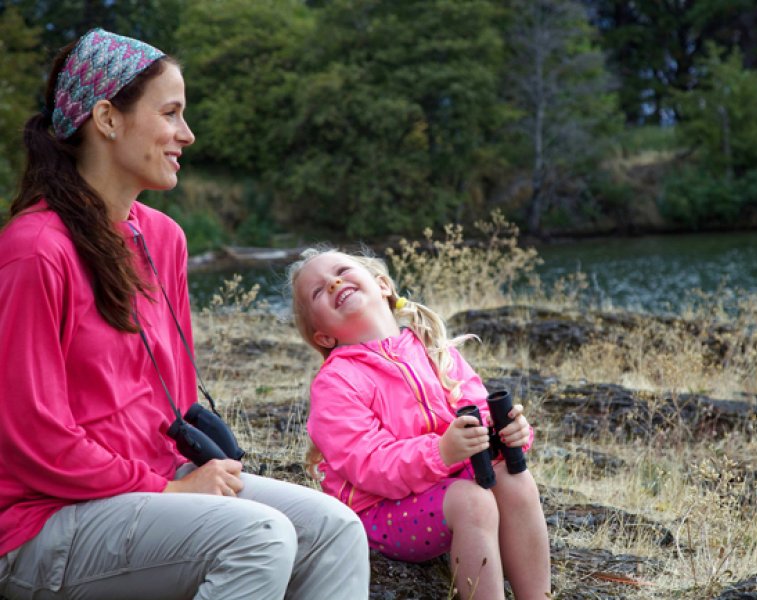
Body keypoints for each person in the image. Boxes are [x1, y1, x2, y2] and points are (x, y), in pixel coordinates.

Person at [0, 29, 368, 600]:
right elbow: (32, 437)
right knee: (260, 537)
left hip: (150, 489)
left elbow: (168, 398)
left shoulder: (162, 239)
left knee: (336, 530)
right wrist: (167, 491)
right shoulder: (34, 251)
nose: (187, 135)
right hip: (44, 520)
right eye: (170, 113)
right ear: (107, 118)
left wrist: (177, 481)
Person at [289, 248, 551, 600]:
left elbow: (478, 413)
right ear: (323, 337)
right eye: (318, 291)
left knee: (515, 479)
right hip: (380, 511)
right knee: (472, 501)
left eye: (342, 270)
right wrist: (441, 452)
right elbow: (369, 464)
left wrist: (509, 435)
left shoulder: (432, 348)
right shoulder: (336, 382)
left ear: (382, 285)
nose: (334, 282)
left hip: (443, 485)